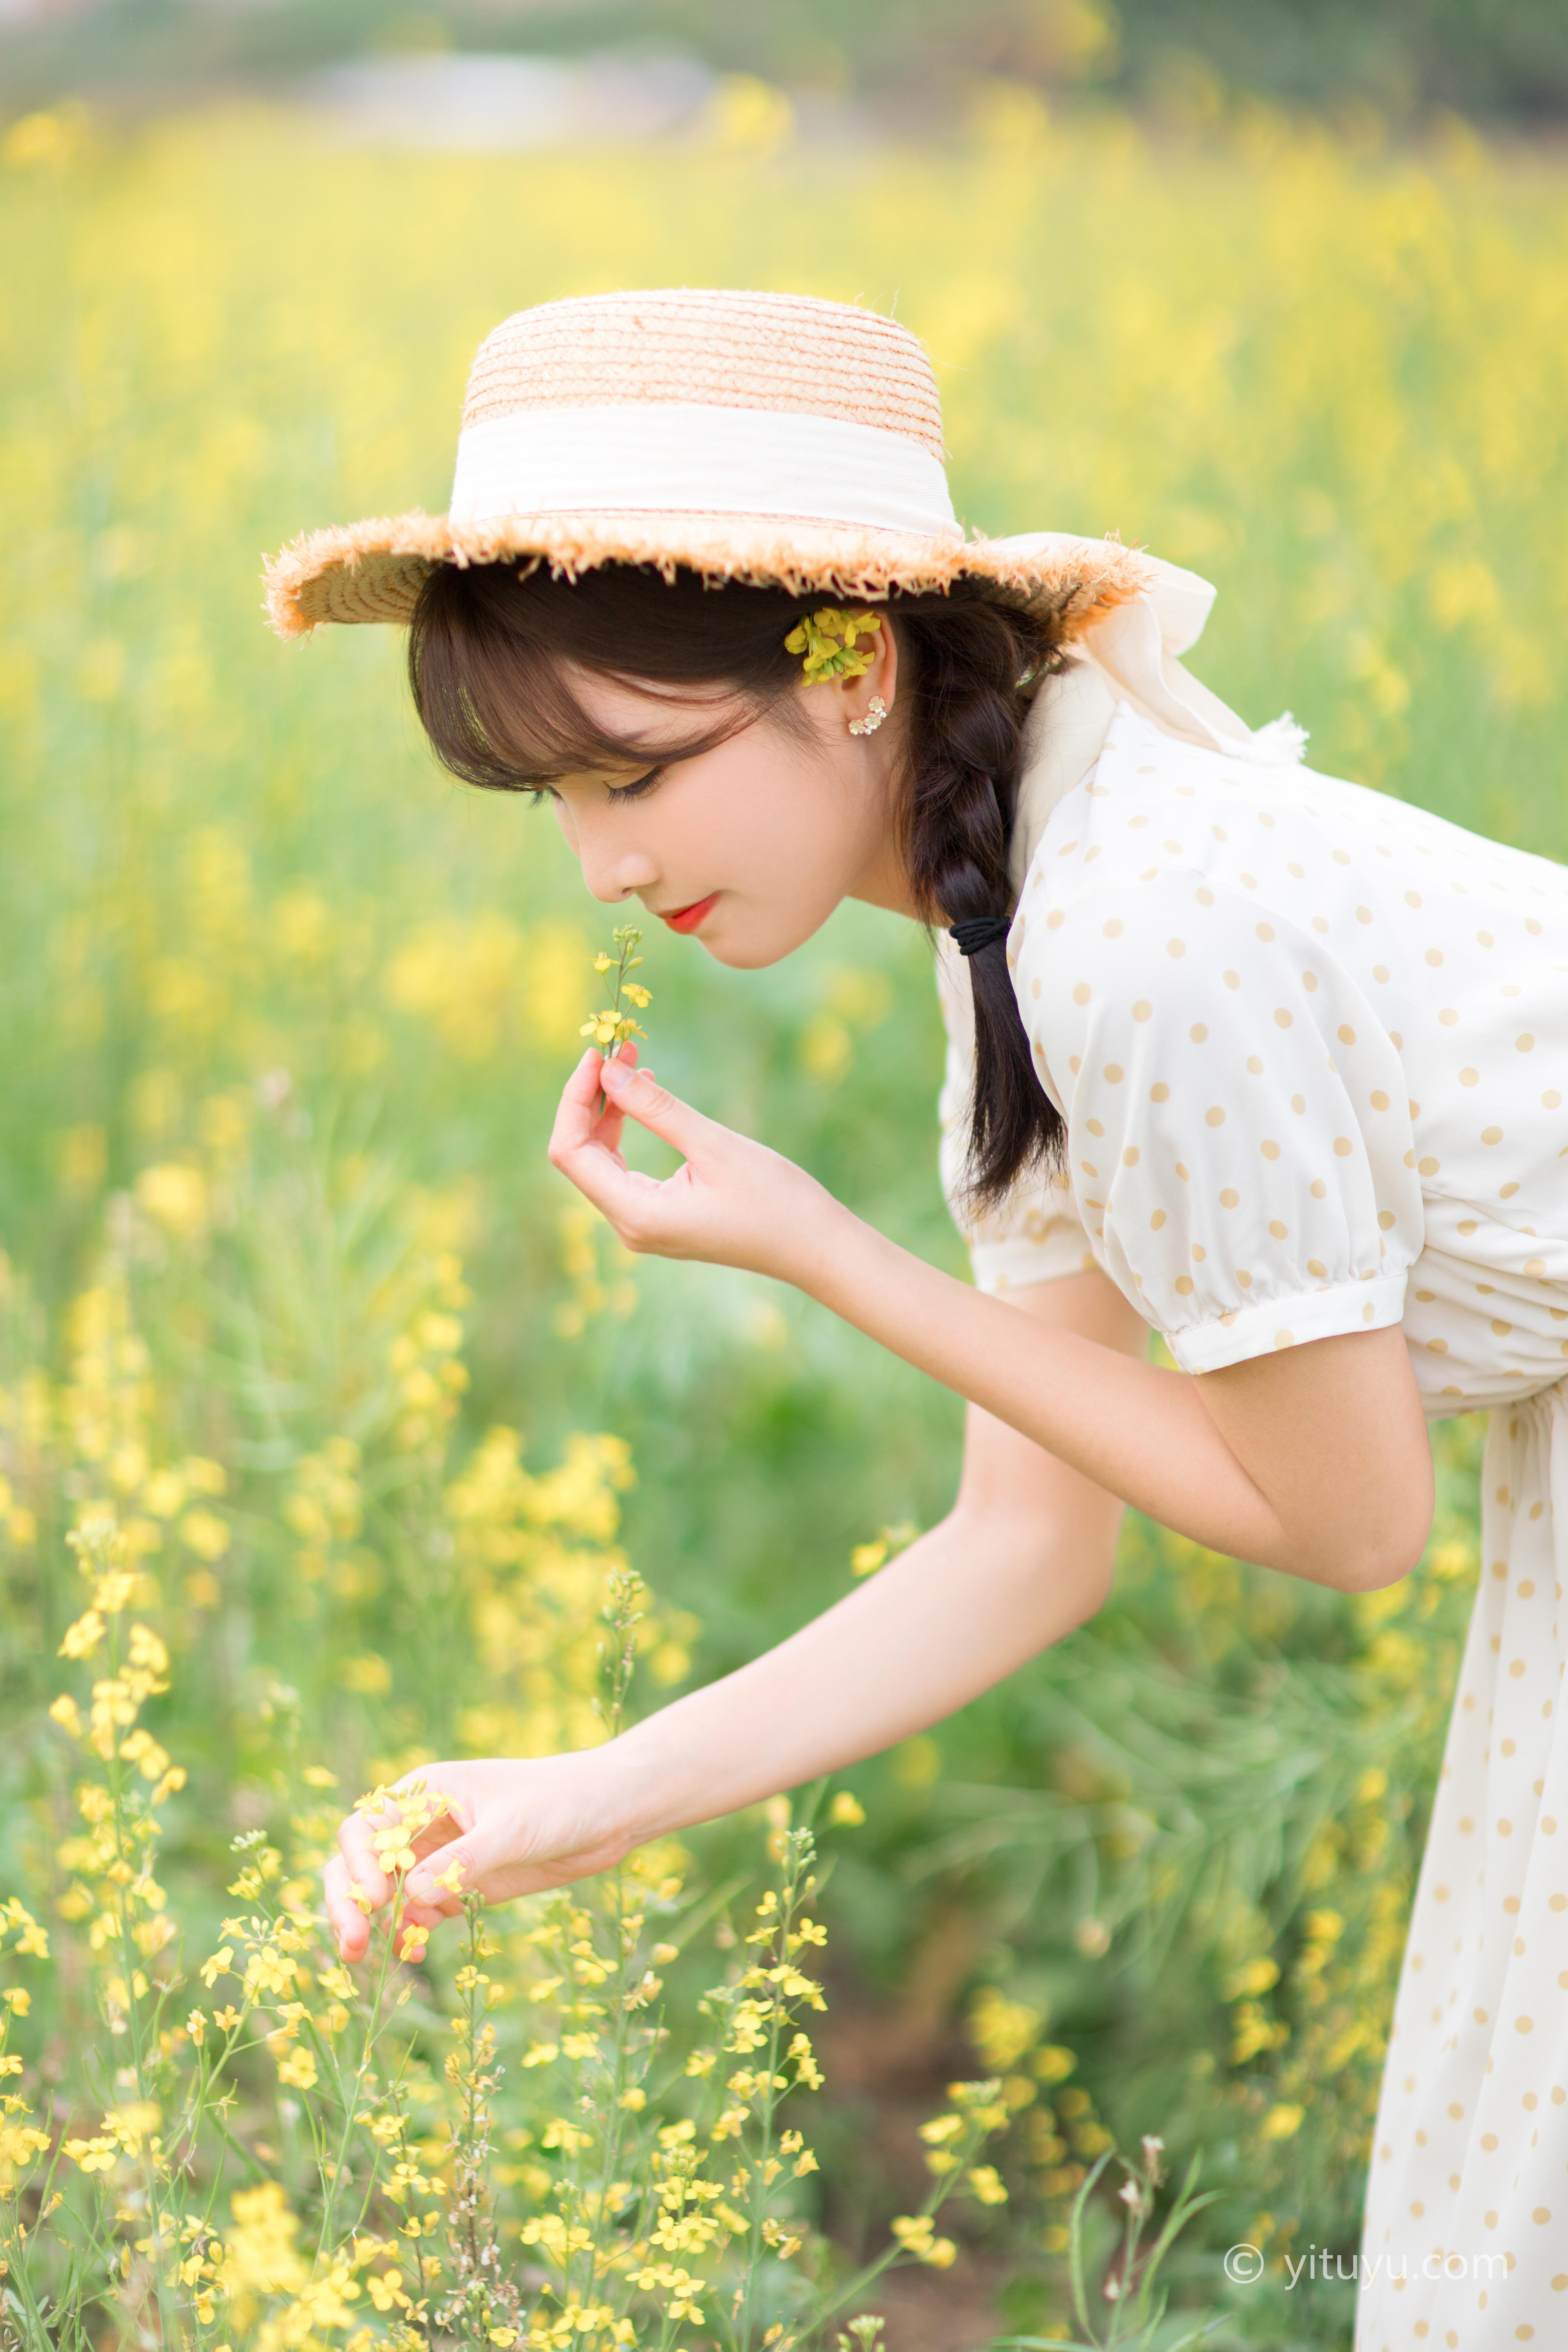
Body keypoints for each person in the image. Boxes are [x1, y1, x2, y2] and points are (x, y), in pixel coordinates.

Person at [267, 288, 1568, 2349]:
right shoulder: (1022, 901)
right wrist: (586, 1798)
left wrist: (823, 1253)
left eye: (635, 775)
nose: (603, 867)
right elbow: (1022, 1546)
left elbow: (1350, 1530)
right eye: (554, 805)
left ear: (852, 665)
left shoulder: (1141, 932)